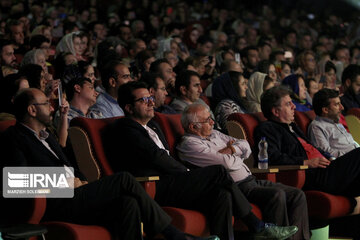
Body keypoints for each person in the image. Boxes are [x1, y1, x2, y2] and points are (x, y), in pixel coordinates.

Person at [0, 87, 216, 240]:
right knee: (124, 179)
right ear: (31, 110)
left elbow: (70, 167)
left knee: (127, 204)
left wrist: (81, 181)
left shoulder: (47, 136)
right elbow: (15, 182)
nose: (52, 106)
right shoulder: (14, 137)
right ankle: (172, 234)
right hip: (55, 203)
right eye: (46, 103)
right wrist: (64, 183)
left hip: (76, 193)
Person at [102, 81, 299, 240]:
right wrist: (188, 174)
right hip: (153, 185)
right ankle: (256, 224)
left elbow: (245, 146)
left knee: (222, 193)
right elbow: (157, 156)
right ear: (128, 107)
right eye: (144, 100)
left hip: (172, 181)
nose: (151, 102)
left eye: (151, 98)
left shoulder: (153, 125)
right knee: (219, 172)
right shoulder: (125, 127)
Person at [178, 103, 310, 240]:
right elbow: (226, 163)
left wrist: (231, 150)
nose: (212, 122)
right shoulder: (189, 144)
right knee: (277, 195)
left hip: (251, 179)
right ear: (193, 127)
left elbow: (245, 145)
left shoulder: (215, 134)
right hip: (237, 187)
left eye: (211, 117)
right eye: (207, 120)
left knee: (297, 195)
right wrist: (236, 155)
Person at [254, 86, 360, 214]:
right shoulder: (267, 128)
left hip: (326, 167)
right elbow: (272, 157)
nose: (294, 106)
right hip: (313, 176)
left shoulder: (292, 127)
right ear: (276, 111)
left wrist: (329, 157)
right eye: (288, 104)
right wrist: (305, 162)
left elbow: (314, 149)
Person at [308, 88, 359, 158]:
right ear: (325, 110)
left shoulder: (336, 122)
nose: (342, 107)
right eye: (337, 104)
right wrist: (353, 154)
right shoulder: (316, 126)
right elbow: (326, 153)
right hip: (346, 162)